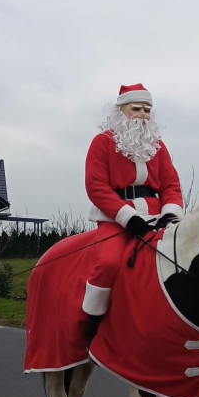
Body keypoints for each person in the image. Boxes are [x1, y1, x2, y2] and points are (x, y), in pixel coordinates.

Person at [82, 83, 184, 333]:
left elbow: (171, 185)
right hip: (115, 217)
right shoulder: (102, 142)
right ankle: (92, 322)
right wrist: (128, 217)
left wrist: (170, 214)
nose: (143, 114)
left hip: (156, 216)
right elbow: (96, 187)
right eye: (136, 108)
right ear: (121, 111)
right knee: (108, 262)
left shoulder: (157, 146)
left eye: (147, 109)